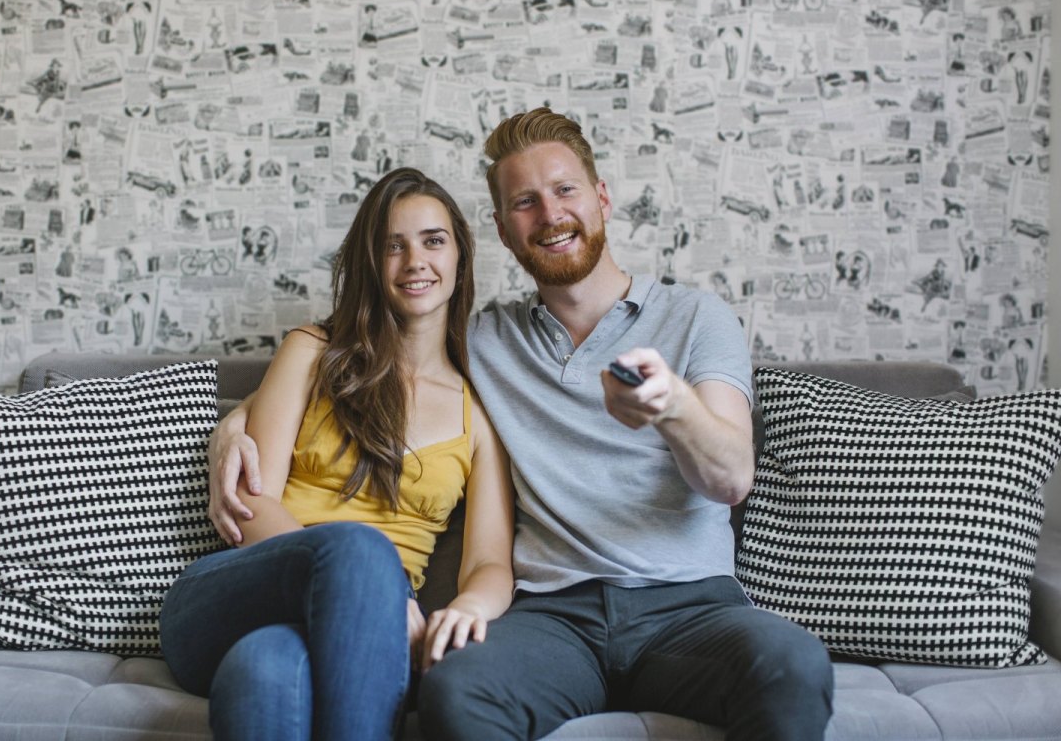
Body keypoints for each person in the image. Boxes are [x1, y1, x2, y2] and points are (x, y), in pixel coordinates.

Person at [207, 109, 832, 739]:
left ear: (602, 199)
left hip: (689, 606)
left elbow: (730, 477)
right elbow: (360, 357)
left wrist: (671, 405)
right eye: (525, 203)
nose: (550, 214)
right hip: (552, 617)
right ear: (504, 232)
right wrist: (232, 423)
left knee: (794, 665)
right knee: (456, 691)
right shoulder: (481, 341)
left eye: (564, 191)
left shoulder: (697, 318)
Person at [164, 167, 514, 741]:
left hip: (343, 641)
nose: (415, 260)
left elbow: (489, 565)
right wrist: (372, 584)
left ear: (460, 256)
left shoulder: (479, 411)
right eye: (392, 245)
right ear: (371, 264)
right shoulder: (313, 351)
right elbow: (253, 503)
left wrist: (468, 607)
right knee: (361, 550)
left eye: (433, 240)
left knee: (264, 671)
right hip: (235, 594)